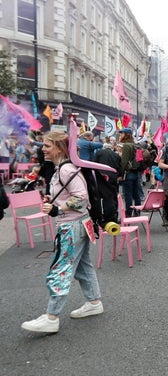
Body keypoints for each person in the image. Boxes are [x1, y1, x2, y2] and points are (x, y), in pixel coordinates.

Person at [21, 131, 104, 333]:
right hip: (80, 224)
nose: (43, 149)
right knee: (83, 267)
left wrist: (59, 208)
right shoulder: (63, 168)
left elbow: (81, 197)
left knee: (61, 270)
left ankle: (52, 317)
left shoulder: (66, 169)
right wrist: (54, 201)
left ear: (59, 148)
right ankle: (94, 303)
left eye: (47, 146)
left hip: (71, 226)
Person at [118, 128, 144, 218]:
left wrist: (120, 174)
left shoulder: (126, 146)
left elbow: (124, 162)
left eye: (121, 134)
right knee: (136, 193)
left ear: (126, 135)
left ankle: (128, 212)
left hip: (128, 173)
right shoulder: (135, 144)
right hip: (136, 172)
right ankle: (137, 211)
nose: (120, 136)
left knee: (128, 194)